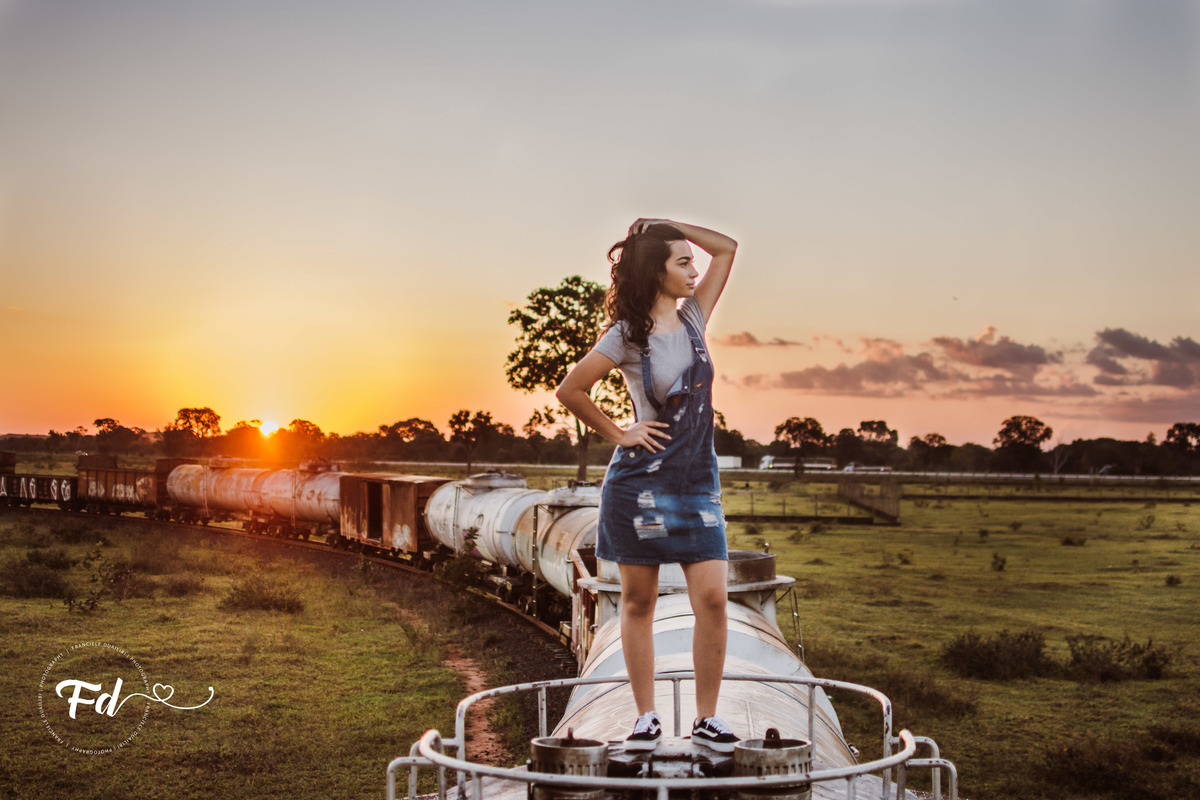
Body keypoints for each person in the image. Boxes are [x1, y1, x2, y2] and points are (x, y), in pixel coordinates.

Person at [556, 218, 738, 753]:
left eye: (690, 260)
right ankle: (645, 717)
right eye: (681, 261)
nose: (694, 268)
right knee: (639, 604)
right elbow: (571, 388)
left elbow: (728, 248)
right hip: (640, 486)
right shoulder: (627, 335)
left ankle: (707, 718)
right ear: (656, 272)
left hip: (698, 483)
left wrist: (665, 225)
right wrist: (621, 431)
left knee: (714, 599)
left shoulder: (695, 318)